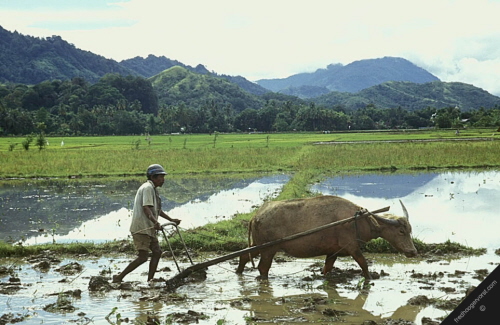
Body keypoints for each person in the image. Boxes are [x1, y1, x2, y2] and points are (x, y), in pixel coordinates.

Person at [112, 164, 181, 283]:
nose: (163, 180)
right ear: (153, 177)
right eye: (161, 177)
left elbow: (157, 210)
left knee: (157, 252)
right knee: (143, 256)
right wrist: (155, 222)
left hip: (149, 228)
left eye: (163, 177)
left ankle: (150, 279)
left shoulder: (153, 189)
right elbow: (146, 208)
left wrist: (171, 220)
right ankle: (119, 277)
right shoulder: (147, 188)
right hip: (142, 227)